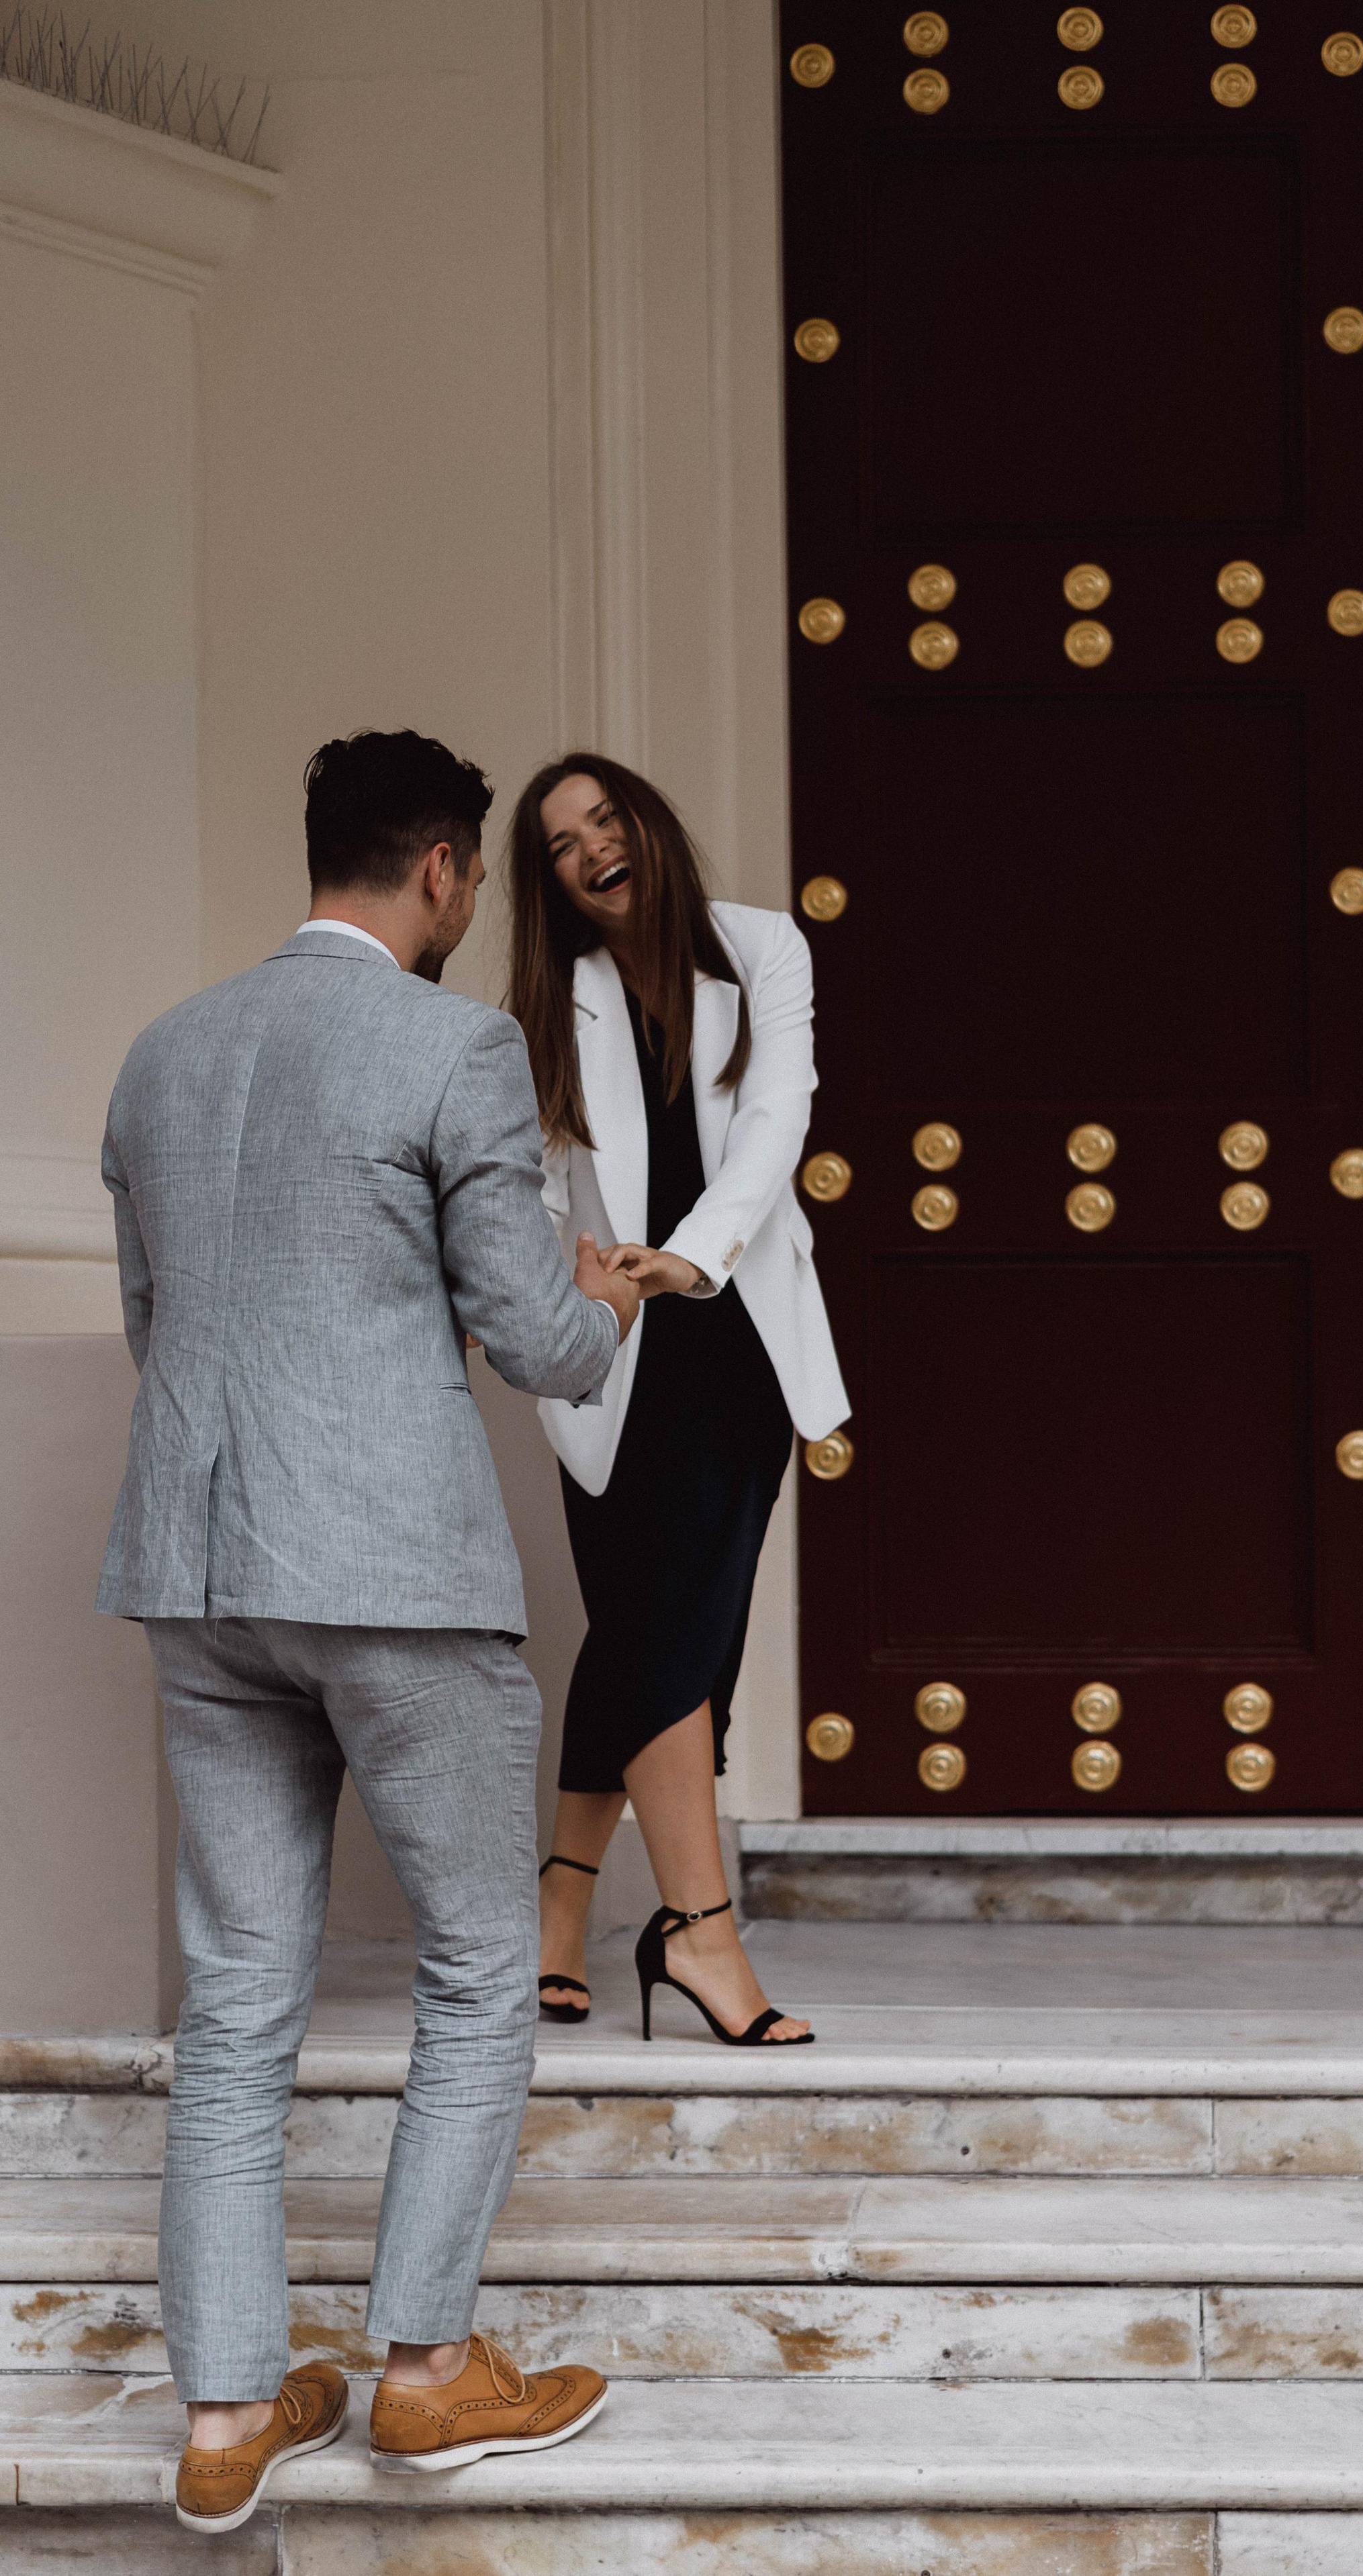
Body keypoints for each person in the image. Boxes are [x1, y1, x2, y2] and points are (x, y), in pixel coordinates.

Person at [97, 730, 641, 2536]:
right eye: (476, 876)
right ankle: (422, 2370)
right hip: (394, 1573)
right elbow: (534, 1336)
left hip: (199, 1561)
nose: (474, 903)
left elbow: (152, 1326)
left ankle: (226, 2410)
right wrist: (600, 1284)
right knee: (481, 1967)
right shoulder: (454, 1044)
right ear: (436, 872)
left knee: (238, 1996)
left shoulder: (163, 1053)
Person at [507, 755, 849, 2046]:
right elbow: (538, 1186)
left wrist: (688, 1257)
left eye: (605, 819)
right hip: (616, 1349)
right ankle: (699, 1933)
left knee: (667, 1630)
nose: (593, 847)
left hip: (736, 1337)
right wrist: (576, 1281)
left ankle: (564, 1901)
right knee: (663, 1631)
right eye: (558, 844)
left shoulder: (763, 949)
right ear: (552, 883)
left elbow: (777, 1121)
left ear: (646, 824)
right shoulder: (553, 1004)